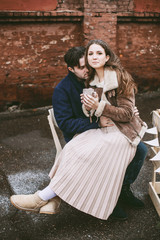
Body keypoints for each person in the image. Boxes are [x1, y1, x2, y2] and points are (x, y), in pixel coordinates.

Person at [10, 43, 148, 221]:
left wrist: (128, 112)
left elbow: (119, 105)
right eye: (82, 67)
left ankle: (121, 191)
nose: (87, 69)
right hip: (85, 132)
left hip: (109, 130)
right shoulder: (63, 89)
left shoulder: (98, 79)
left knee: (140, 149)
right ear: (71, 69)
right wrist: (97, 121)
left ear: (105, 58)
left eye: (88, 64)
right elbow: (67, 124)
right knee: (91, 153)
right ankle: (56, 196)